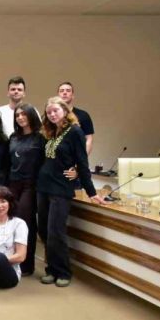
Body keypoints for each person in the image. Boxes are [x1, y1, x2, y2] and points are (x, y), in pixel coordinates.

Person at [37, 96, 105, 288]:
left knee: (56, 232)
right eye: (49, 112)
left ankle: (63, 271)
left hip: (60, 188)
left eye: (55, 111)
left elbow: (82, 162)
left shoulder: (75, 131)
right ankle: (51, 269)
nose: (52, 115)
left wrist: (91, 192)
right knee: (43, 230)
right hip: (43, 187)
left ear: (65, 111)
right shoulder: (50, 132)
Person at [8, 103, 45, 276]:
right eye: (17, 115)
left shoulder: (40, 138)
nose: (20, 117)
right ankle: (11, 259)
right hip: (13, 184)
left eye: (24, 114)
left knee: (25, 222)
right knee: (10, 221)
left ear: (31, 116)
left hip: (30, 185)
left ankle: (27, 264)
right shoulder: (13, 137)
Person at [57, 82, 95, 155]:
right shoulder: (52, 116)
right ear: (58, 96)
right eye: (61, 91)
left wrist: (82, 159)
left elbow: (89, 139)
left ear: (73, 96)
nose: (64, 93)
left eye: (68, 90)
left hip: (76, 157)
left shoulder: (83, 115)